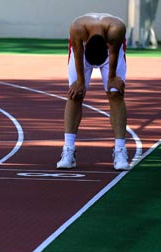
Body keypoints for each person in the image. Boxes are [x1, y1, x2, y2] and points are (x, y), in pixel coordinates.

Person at [57, 13, 130, 171]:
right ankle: (68, 150)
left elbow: (114, 53)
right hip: (81, 51)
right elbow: (77, 53)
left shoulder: (117, 28)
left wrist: (112, 78)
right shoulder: (77, 28)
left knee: (115, 92)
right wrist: (80, 82)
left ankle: (120, 150)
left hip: (112, 50)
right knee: (75, 94)